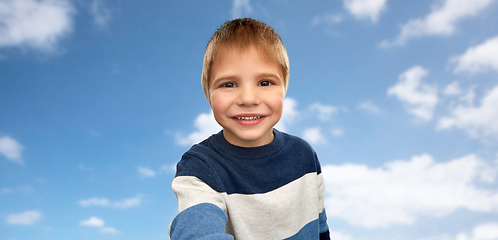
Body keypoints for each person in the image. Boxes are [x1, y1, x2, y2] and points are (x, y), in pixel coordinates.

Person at [169, 18, 330, 240]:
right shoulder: (199, 167)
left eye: (265, 83)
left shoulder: (305, 155)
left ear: (284, 89)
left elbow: (321, 228)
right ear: (208, 95)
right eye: (229, 84)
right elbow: (196, 231)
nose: (248, 98)